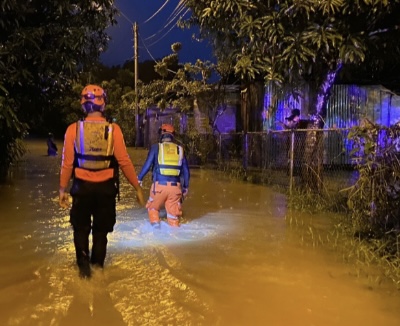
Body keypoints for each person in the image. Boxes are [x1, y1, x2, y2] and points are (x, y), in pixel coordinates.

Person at [58, 84, 145, 279]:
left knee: (80, 229)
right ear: (103, 104)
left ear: (83, 105)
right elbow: (124, 161)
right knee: (100, 232)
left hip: (81, 189)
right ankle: (98, 269)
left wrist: (62, 189)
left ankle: (83, 270)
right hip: (105, 191)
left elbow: (67, 163)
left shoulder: (73, 129)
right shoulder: (114, 130)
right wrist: (137, 187)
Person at [138, 123, 190, 228]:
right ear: (173, 135)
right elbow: (186, 171)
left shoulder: (156, 148)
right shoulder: (180, 149)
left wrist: (139, 179)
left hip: (159, 188)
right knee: (174, 218)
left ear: (161, 134)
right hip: (175, 189)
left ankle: (156, 230)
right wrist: (185, 188)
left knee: (153, 209)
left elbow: (147, 165)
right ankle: (175, 236)